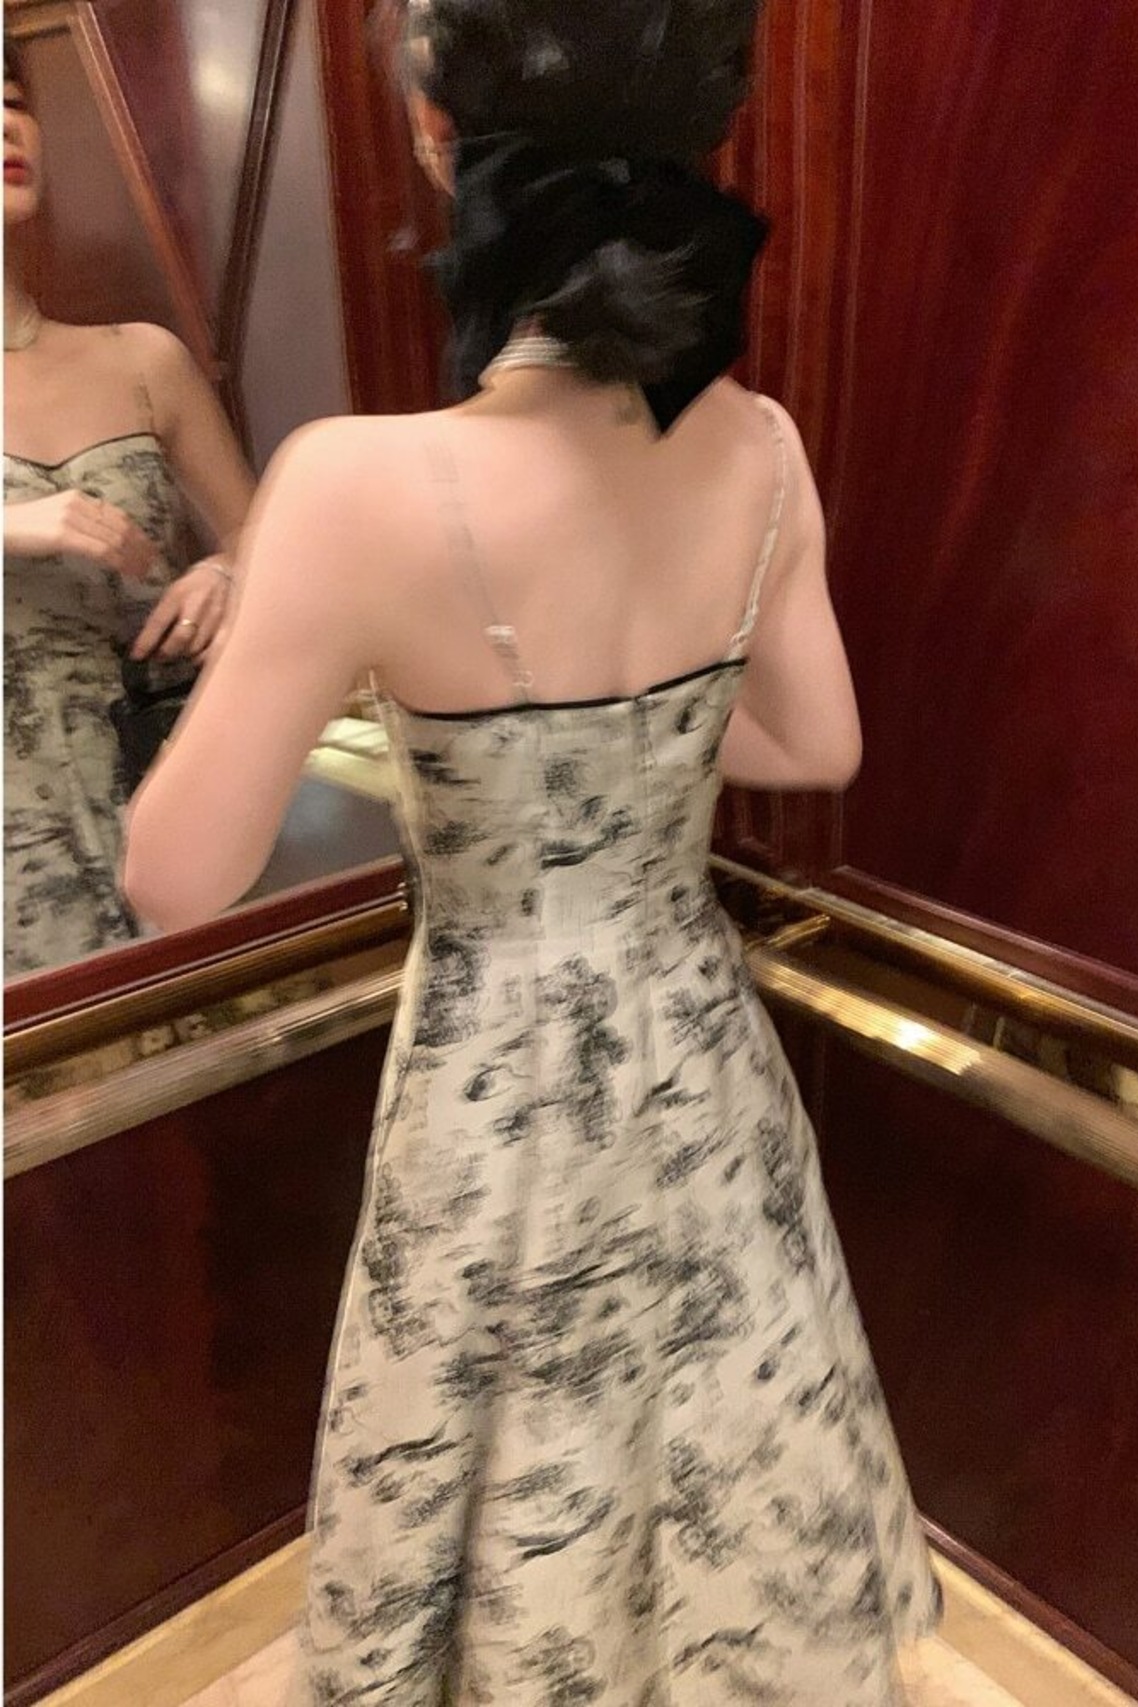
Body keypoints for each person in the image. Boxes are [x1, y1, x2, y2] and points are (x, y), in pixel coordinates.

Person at [123, 0, 941, 1699]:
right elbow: (820, 747)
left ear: (441, 135)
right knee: (711, 1432)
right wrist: (631, 766)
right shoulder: (761, 444)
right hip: (697, 1042)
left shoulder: (355, 482)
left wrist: (289, 603)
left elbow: (173, 878)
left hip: (490, 1077)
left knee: (512, 1460)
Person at [3, 38, 254, 976]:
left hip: (167, 808)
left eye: (12, 99)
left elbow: (263, 537)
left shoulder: (141, 359)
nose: (6, 124)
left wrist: (229, 569)